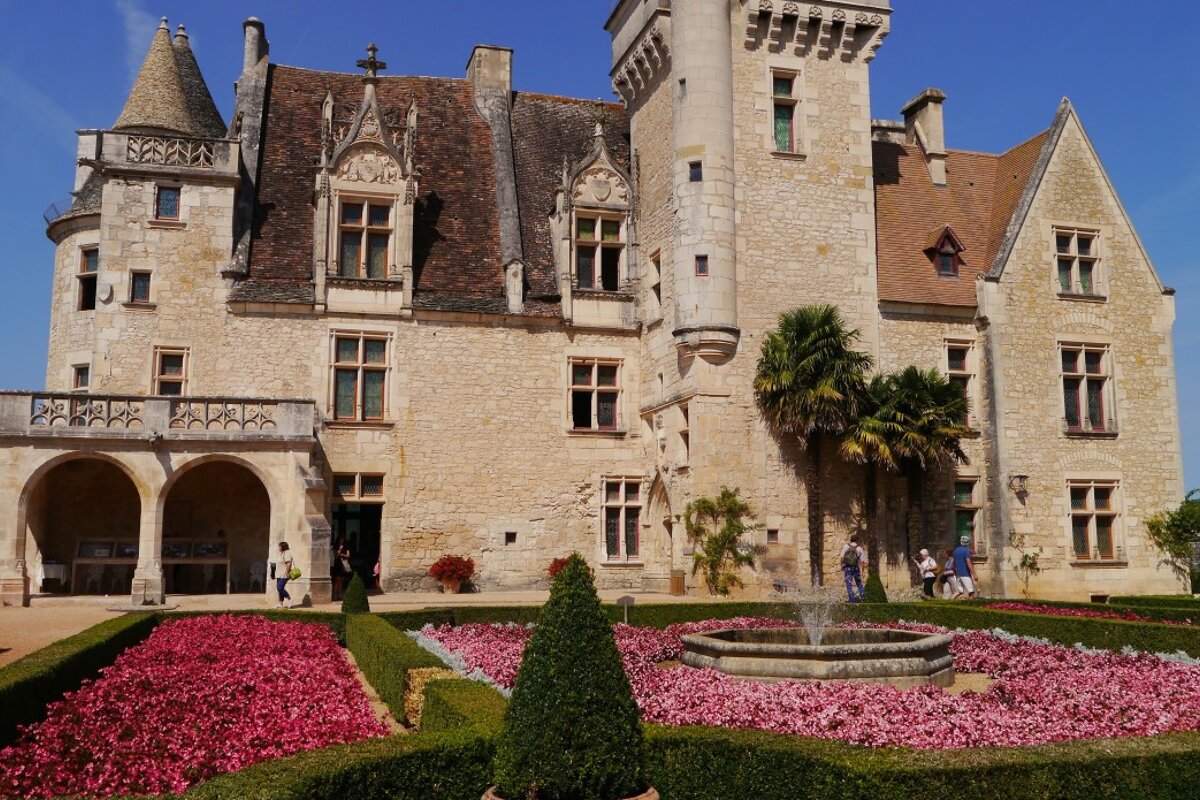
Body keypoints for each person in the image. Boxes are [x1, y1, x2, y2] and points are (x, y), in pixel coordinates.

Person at [839, 534, 867, 603]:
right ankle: (863, 598)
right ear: (857, 540)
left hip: (847, 567)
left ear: (851, 539)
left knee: (849, 584)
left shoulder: (846, 546)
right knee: (859, 583)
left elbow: (842, 557)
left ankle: (852, 600)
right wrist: (863, 571)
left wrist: (841, 565)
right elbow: (862, 561)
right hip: (856, 568)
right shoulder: (859, 548)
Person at [953, 535, 979, 599]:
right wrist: (974, 574)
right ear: (967, 542)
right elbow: (969, 563)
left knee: (959, 591)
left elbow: (954, 563)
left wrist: (957, 571)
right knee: (971, 592)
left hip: (958, 574)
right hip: (965, 574)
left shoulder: (956, 550)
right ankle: (970, 608)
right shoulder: (966, 550)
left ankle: (947, 603)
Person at [275, 541, 294, 609]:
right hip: (279, 574)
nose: (278, 547)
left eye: (279, 546)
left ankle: (290, 599)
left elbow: (288, 563)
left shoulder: (287, 553)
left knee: (280, 588)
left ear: (283, 546)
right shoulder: (281, 553)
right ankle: (280, 604)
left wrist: (287, 572)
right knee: (279, 589)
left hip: (284, 574)